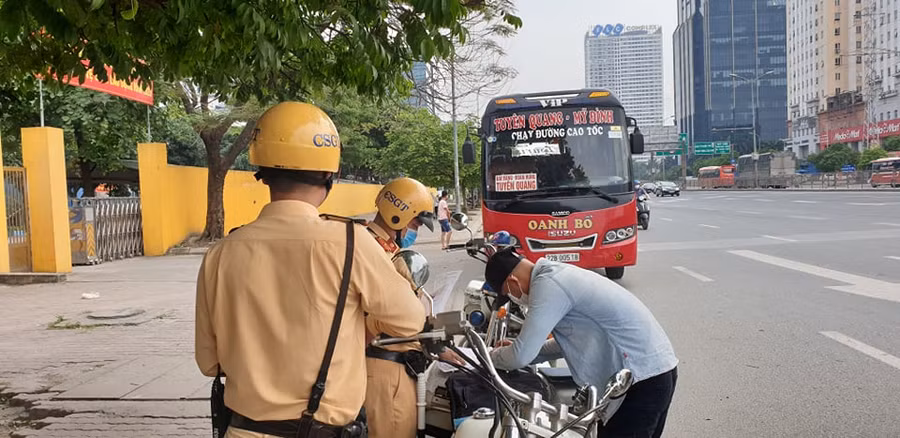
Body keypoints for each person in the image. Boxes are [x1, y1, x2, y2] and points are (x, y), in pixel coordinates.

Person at [195, 102, 426, 438]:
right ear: (328, 175)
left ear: (262, 171)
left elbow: (209, 363)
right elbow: (410, 321)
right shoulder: (350, 242)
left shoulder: (220, 254)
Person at [484, 248, 678, 438]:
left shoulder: (548, 286)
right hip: (657, 370)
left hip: (638, 381)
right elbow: (560, 345)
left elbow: (520, 356)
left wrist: (489, 356)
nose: (513, 299)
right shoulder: (557, 274)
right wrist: (516, 349)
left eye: (508, 294)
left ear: (512, 282)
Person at [363, 177, 464, 438]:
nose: (416, 230)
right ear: (398, 214)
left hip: (401, 364)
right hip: (385, 368)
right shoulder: (369, 251)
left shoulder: (387, 249)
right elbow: (376, 315)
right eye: (416, 222)